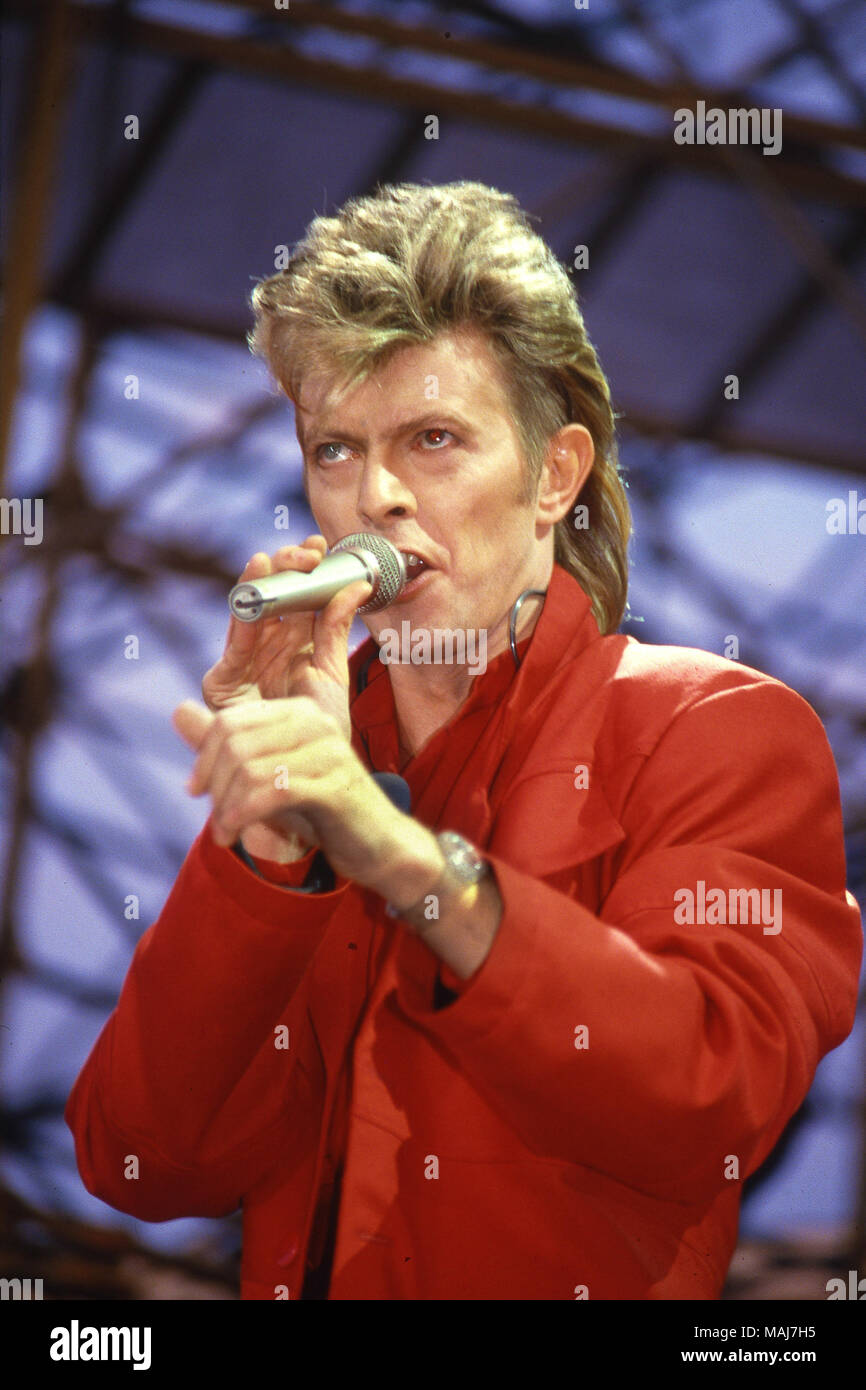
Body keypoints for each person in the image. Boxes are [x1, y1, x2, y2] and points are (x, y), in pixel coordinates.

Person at [66, 181, 862, 1300]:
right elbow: (138, 1159)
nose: (375, 495)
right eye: (334, 450)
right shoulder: (323, 754)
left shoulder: (712, 726)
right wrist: (272, 854)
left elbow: (704, 1092)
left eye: (431, 439)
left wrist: (392, 856)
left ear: (553, 476)